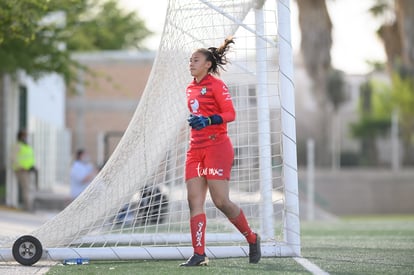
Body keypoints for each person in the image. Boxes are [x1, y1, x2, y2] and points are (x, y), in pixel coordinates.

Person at [180, 37, 261, 267]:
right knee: (193, 201)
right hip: (195, 149)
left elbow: (230, 114)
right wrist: (196, 121)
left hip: (217, 147)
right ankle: (199, 254)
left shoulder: (217, 85)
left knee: (221, 201)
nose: (191, 63)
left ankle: (252, 238)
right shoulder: (189, 88)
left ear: (207, 64)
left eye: (196, 59)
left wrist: (208, 120)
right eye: (190, 60)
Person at [12, 129, 37, 212]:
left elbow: (29, 158)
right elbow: (13, 158)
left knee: (30, 189)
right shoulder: (17, 146)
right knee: (26, 189)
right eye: (24, 136)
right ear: (20, 136)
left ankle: (30, 206)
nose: (26, 137)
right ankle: (28, 207)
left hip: (29, 170)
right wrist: (20, 167)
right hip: (21, 171)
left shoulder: (27, 146)